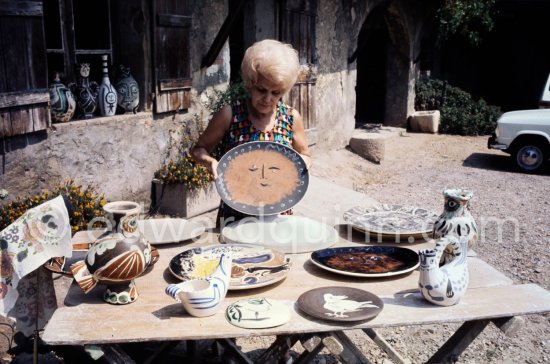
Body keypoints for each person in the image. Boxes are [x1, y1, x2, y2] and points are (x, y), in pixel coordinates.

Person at [191, 39, 312, 229]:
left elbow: (304, 154)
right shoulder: (230, 114)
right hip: (235, 213)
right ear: (250, 83)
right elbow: (198, 149)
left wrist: (303, 163)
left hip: (278, 212)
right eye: (261, 90)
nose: (267, 99)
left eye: (276, 93)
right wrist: (210, 162)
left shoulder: (291, 118)